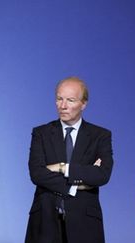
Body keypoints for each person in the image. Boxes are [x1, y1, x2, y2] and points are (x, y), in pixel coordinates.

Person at [25, 77, 114, 243]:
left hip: (84, 224)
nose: (63, 106)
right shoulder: (41, 133)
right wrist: (76, 185)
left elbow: (102, 175)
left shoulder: (100, 136)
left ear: (84, 104)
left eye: (70, 100)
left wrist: (62, 168)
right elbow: (37, 174)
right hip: (45, 221)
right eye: (59, 99)